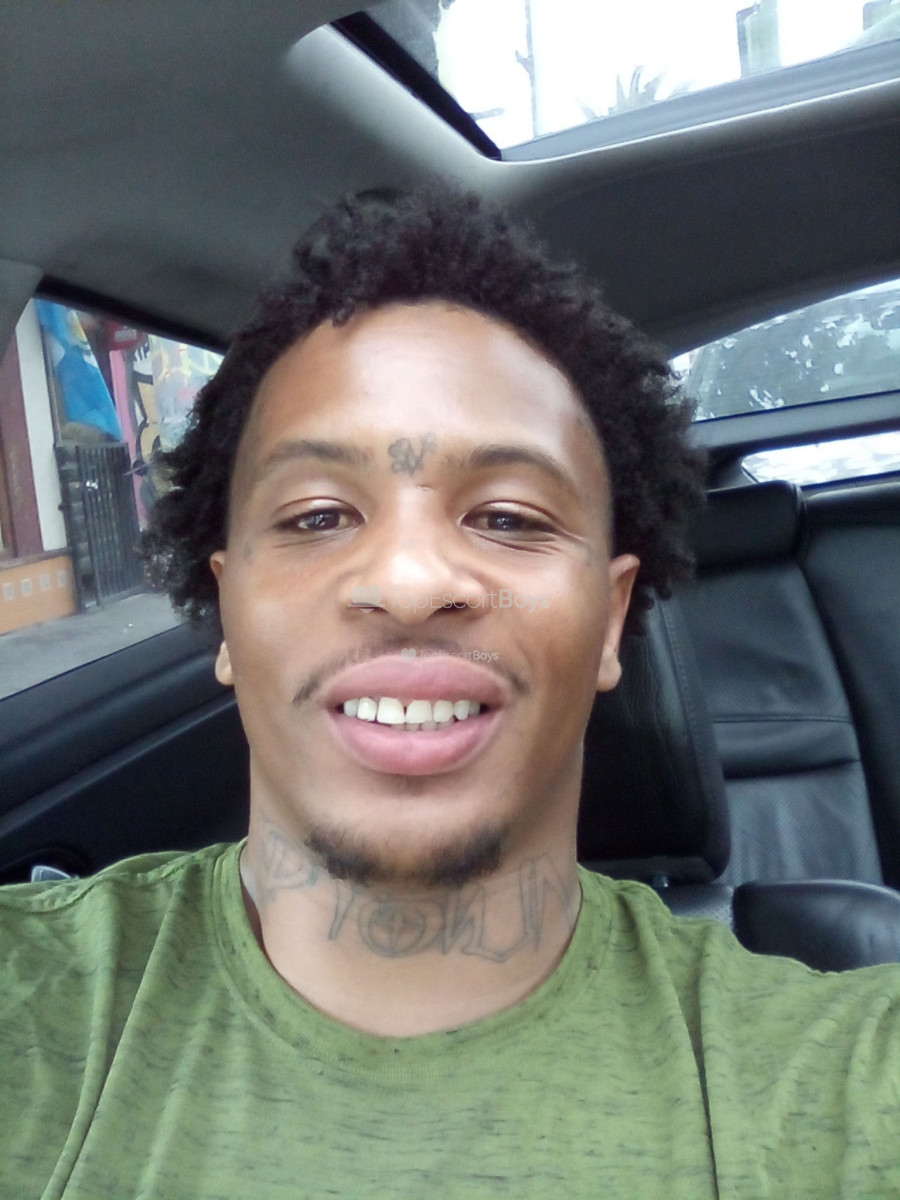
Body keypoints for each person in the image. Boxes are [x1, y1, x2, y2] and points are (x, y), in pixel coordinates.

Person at [1, 186, 897, 1199]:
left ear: (611, 621)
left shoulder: (843, 1082)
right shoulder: (32, 998)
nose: (410, 583)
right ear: (228, 612)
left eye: (509, 517)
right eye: (317, 515)